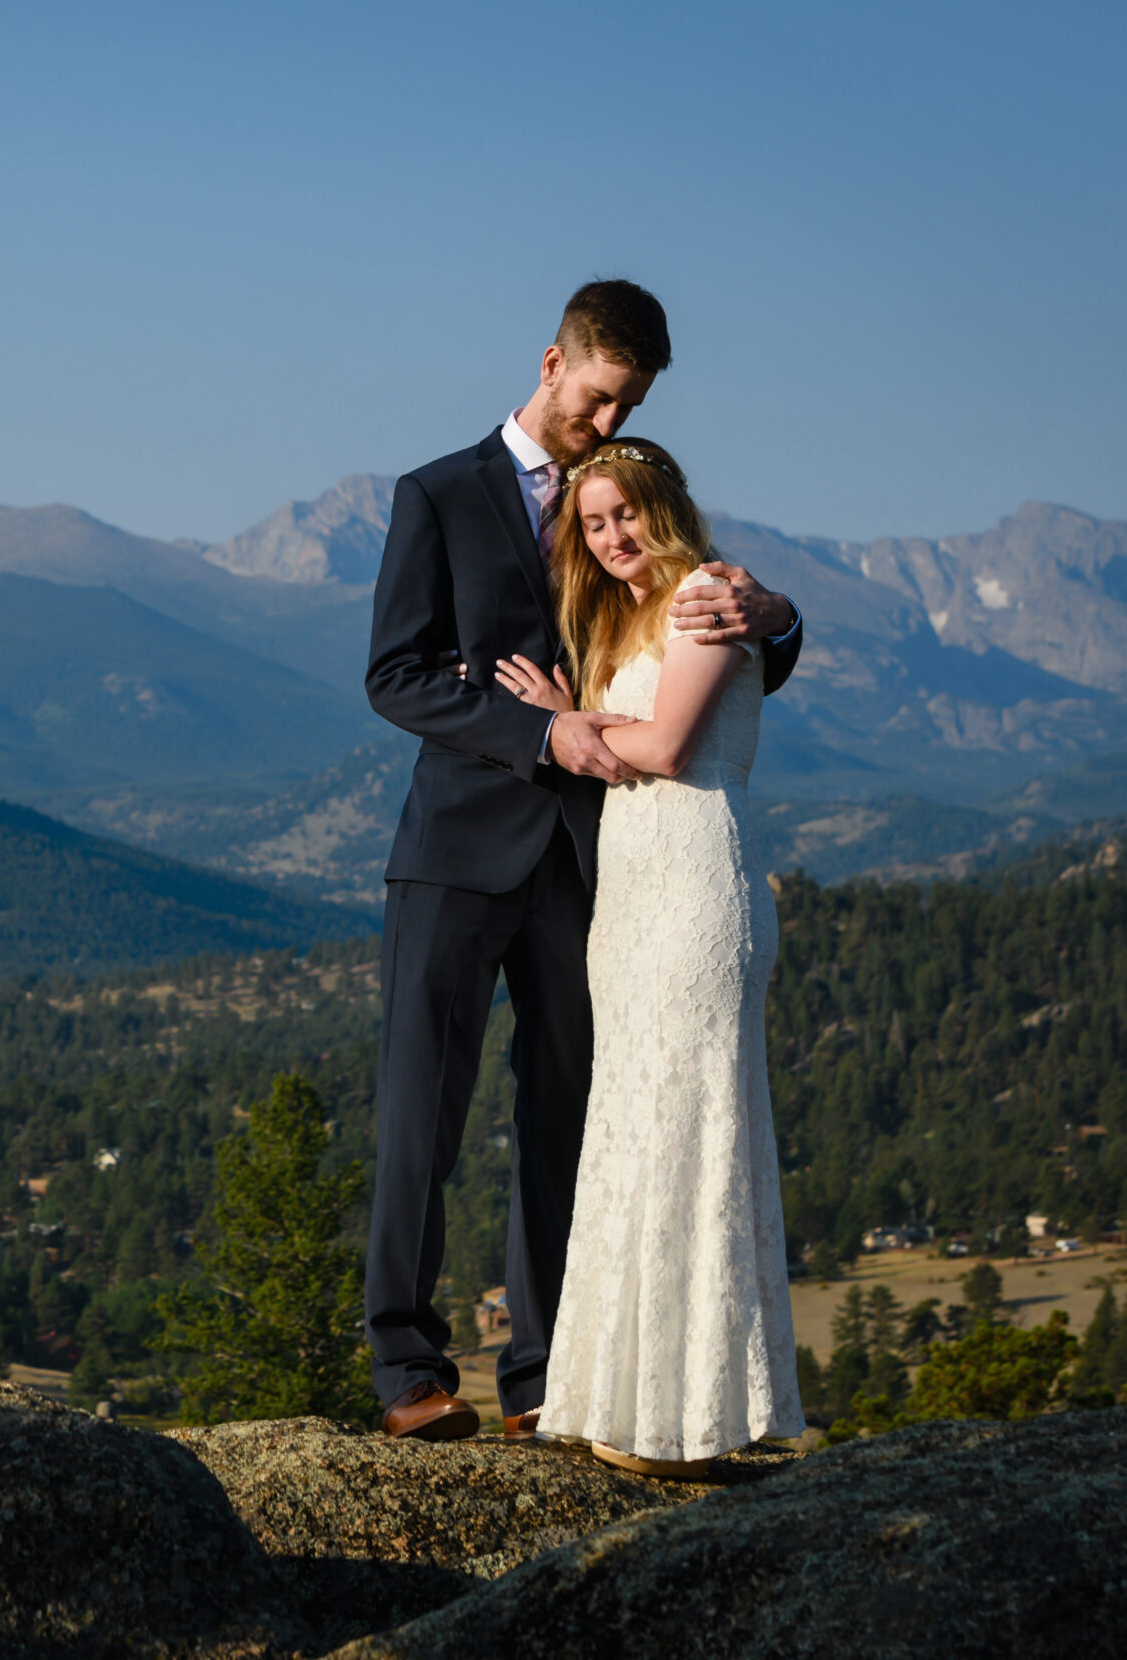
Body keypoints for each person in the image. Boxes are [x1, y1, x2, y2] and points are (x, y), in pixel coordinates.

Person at [359, 280, 802, 1443]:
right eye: (599, 399)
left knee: (567, 1115)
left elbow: (689, 638)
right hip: (454, 854)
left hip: (600, 863)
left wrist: (780, 615)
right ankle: (407, 1370)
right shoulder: (437, 495)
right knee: (422, 1111)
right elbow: (395, 676)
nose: (605, 427)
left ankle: (544, 1375)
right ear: (552, 360)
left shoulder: (618, 503)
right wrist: (538, 732)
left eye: (629, 408)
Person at [496, 439, 805, 1473]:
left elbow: (668, 747)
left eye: (625, 513)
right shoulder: (623, 615)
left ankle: (691, 1417)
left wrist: (561, 724)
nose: (611, 535)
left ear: (663, 507)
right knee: (631, 1130)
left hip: (694, 893)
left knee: (690, 1134)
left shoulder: (710, 594)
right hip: (628, 902)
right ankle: (624, 1404)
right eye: (592, 522)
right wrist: (570, 716)